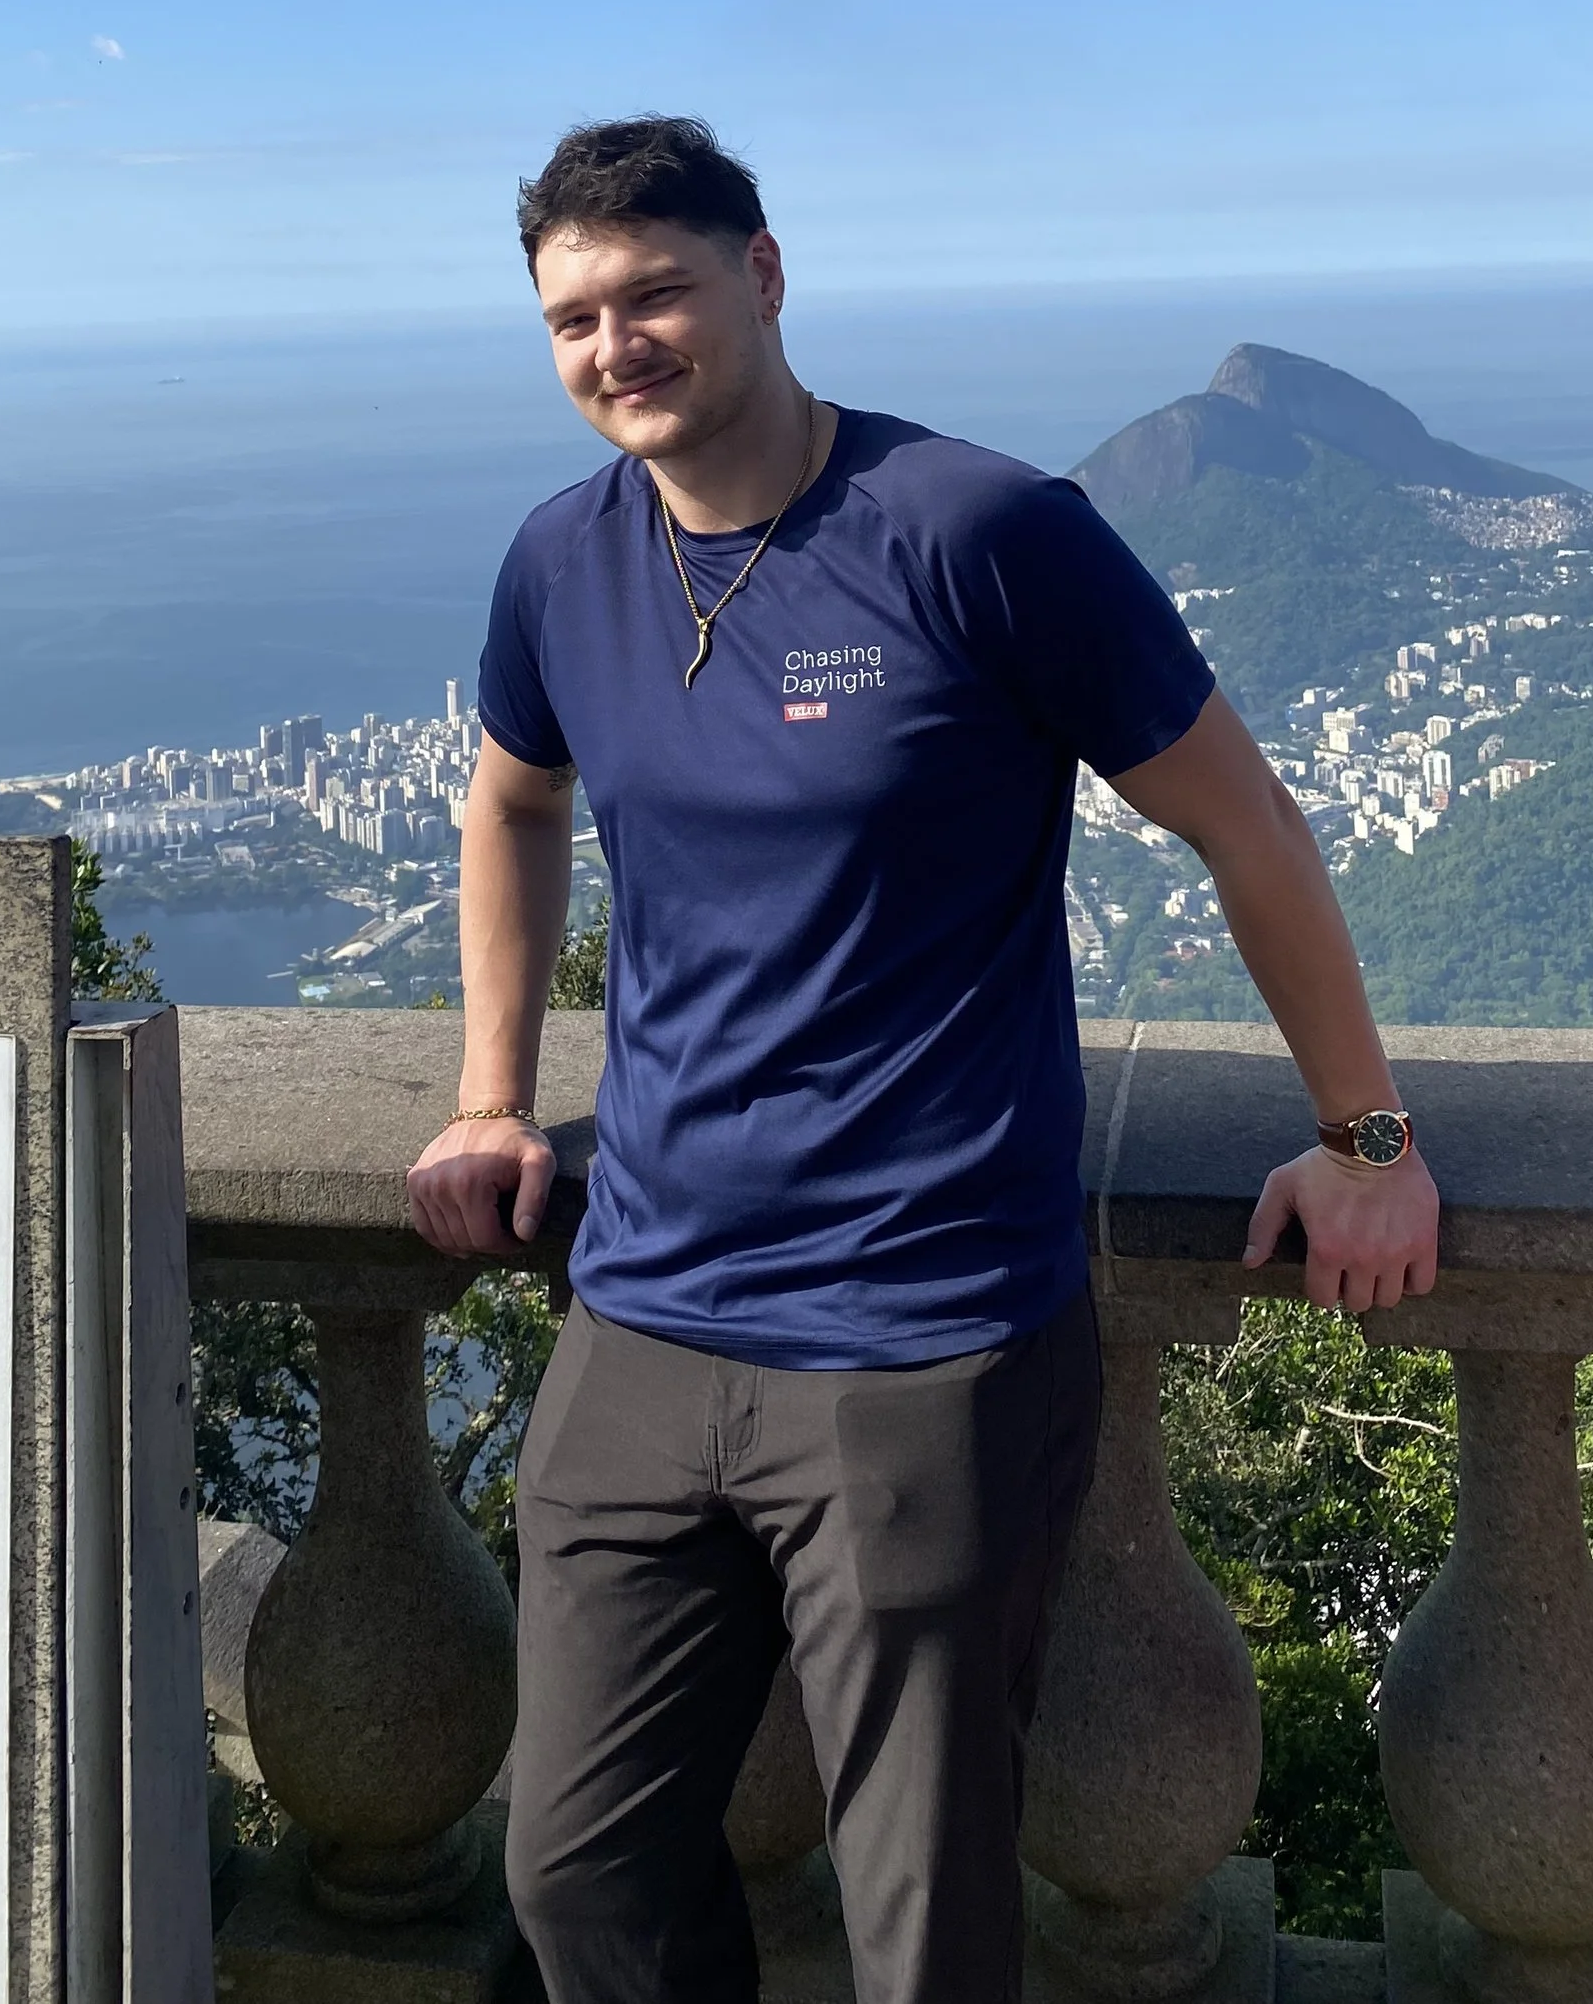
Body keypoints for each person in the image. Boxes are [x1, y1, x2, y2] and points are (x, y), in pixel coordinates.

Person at [407, 116, 1439, 2004]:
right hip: (643, 1312)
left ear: (767, 275)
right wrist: (491, 1088)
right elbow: (511, 801)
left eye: (659, 292)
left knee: (922, 1926)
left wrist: (1362, 1132)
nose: (617, 345)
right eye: (574, 319)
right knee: (574, 1878)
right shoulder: (561, 564)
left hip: (925, 1333)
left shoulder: (973, 531)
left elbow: (1251, 826)